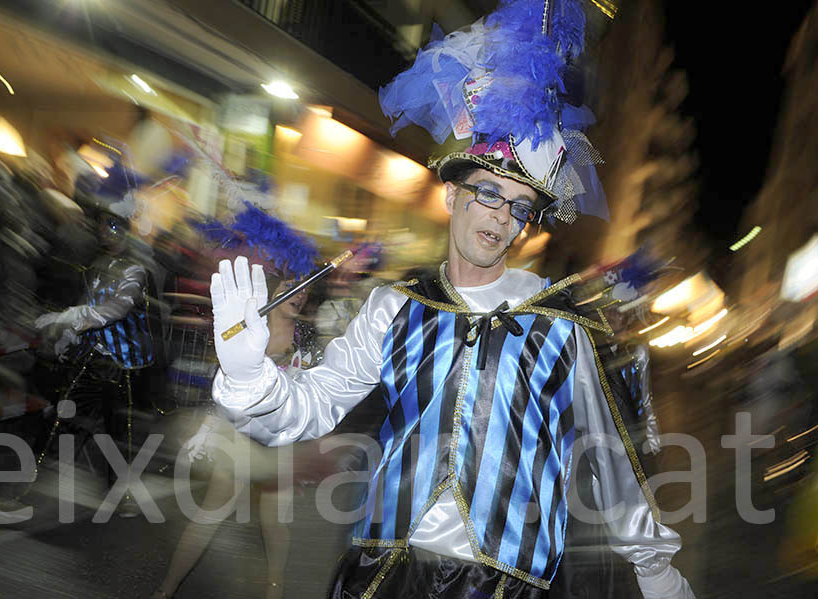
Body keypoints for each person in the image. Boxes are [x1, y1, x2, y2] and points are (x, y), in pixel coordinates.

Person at [208, 1, 695, 598]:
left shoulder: (565, 326)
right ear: (453, 194)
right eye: (488, 192)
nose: (500, 215)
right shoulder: (396, 305)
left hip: (509, 586)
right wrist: (250, 377)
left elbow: (612, 461)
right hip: (385, 575)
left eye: (519, 206)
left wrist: (656, 569)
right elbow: (313, 405)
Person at [152, 206, 321, 599]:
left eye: (307, 286)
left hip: (277, 443)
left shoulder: (304, 337)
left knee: (275, 525)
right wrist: (211, 424)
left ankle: (273, 592)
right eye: (294, 284)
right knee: (209, 516)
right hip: (240, 439)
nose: (302, 293)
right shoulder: (250, 325)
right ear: (277, 284)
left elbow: (309, 397)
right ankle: (165, 590)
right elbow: (224, 381)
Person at [35, 195, 156, 517]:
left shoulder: (136, 268)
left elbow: (117, 308)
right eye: (102, 226)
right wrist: (70, 332)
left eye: (111, 226)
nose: (103, 232)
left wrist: (74, 317)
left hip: (124, 363)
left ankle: (119, 495)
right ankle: (28, 488)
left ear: (124, 231)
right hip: (95, 355)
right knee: (65, 416)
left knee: (118, 431)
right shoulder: (98, 264)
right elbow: (89, 303)